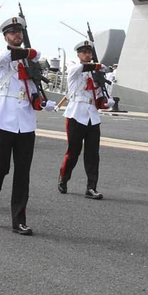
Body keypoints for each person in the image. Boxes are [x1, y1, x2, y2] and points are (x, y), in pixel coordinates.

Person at [0, 16, 43, 235]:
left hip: (25, 122)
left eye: (20, 31)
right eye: (12, 32)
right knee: (0, 168)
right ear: (5, 36)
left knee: (22, 173)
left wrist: (41, 100)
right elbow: (2, 57)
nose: (17, 35)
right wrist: (30, 52)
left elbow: (33, 86)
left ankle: (19, 219)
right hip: (2, 119)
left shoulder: (29, 61)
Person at [57, 39, 106, 199]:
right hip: (76, 114)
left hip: (92, 115)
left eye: (89, 52)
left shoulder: (95, 72)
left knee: (93, 154)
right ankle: (63, 178)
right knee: (73, 151)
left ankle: (91, 187)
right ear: (78, 54)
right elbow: (79, 69)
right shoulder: (74, 67)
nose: (87, 55)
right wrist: (96, 66)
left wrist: (105, 100)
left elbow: (98, 93)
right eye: (84, 52)